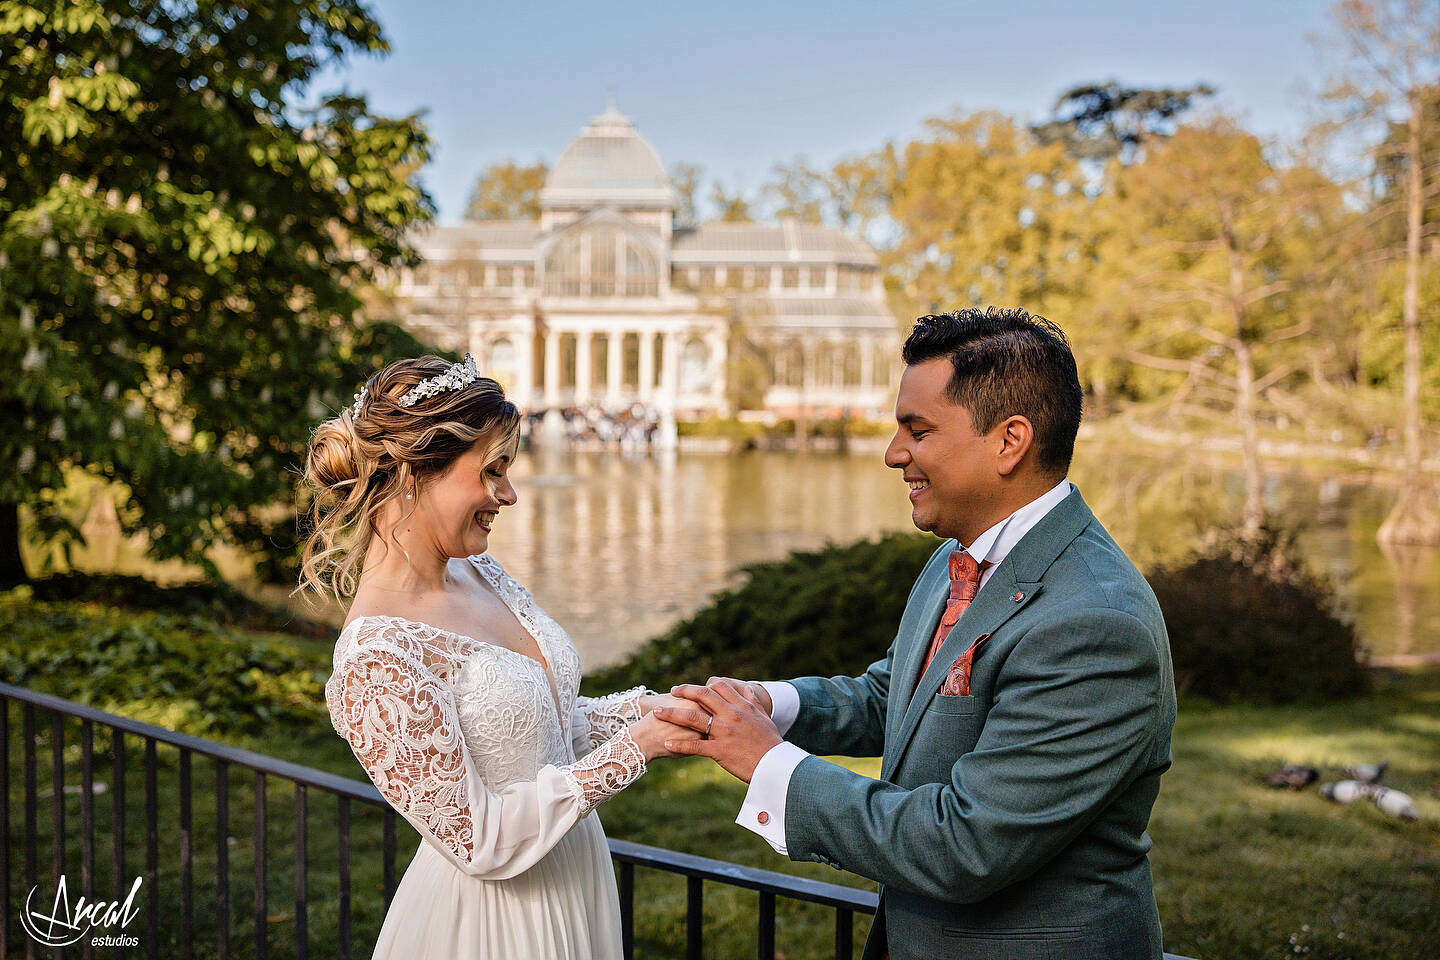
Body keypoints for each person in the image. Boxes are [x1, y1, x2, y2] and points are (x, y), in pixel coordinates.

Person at [659, 308, 1177, 960]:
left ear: (1009, 441)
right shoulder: (955, 558)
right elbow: (895, 697)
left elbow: (965, 846)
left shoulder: (1096, 626)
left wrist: (769, 765)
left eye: (918, 429)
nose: (893, 452)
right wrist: (765, 705)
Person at [298, 355, 695, 959]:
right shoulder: (377, 656)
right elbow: (479, 839)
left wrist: (661, 712)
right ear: (414, 474)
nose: (507, 495)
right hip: (494, 923)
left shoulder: (480, 572)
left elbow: (539, 728)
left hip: (575, 878)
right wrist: (635, 751)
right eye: (492, 472)